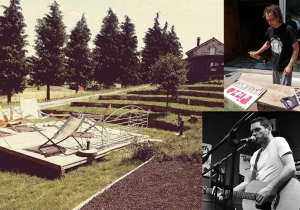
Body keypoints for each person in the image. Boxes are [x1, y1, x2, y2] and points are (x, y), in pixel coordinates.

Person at [219, 117, 296, 210]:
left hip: (283, 196)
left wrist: (269, 188)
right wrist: (229, 192)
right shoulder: (255, 155)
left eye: (257, 129)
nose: (254, 133)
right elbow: (248, 182)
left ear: (269, 129)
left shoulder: (278, 141)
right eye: (252, 132)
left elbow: (290, 167)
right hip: (266, 202)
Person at [252, 4, 299, 86]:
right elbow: (268, 43)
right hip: (275, 66)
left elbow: (296, 49)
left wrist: (290, 66)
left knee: (285, 92)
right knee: (276, 89)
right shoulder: (270, 30)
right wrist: (258, 52)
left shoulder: (288, 30)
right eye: (267, 20)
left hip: (286, 68)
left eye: (272, 19)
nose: (269, 22)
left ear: (278, 17)